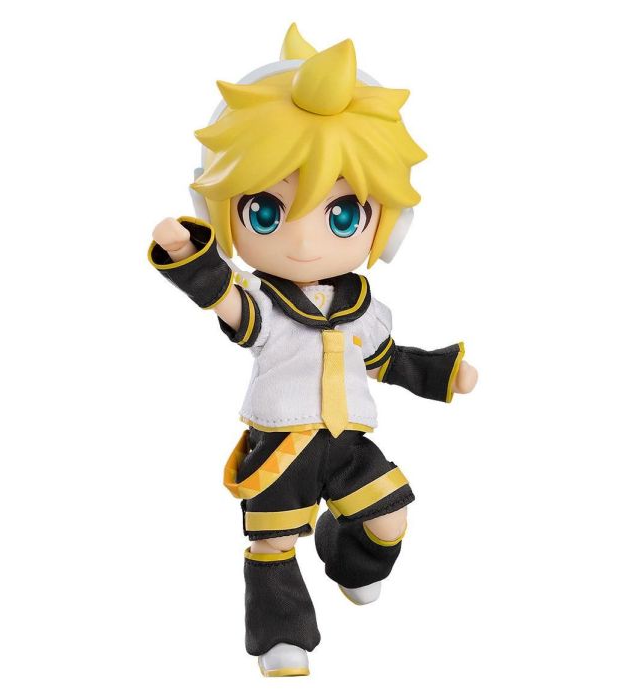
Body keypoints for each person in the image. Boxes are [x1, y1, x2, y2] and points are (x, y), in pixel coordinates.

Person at [148, 24, 478, 677]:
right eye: (266, 214)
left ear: (385, 224)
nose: (302, 243)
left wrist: (443, 373)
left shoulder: (363, 306)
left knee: (390, 519)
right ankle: (281, 634)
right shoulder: (267, 304)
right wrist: (191, 259)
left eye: (341, 215)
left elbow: (386, 359)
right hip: (282, 446)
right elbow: (229, 303)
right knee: (272, 541)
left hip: (347, 443)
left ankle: (348, 558)